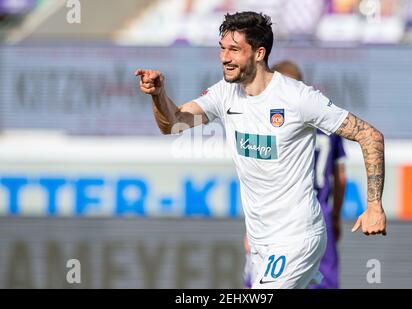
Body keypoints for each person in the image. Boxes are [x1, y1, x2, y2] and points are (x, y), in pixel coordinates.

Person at [135, 11, 386, 289]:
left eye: (234, 50)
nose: (225, 58)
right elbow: (174, 124)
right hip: (259, 242)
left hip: (296, 237)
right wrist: (158, 96)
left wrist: (374, 205)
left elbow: (369, 135)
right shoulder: (225, 93)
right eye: (222, 49)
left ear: (258, 53)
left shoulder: (297, 98)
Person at [242, 61, 346, 289]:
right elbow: (340, 176)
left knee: (260, 284)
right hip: (320, 214)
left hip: (278, 217)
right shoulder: (327, 120)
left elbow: (259, 176)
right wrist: (335, 216)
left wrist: (250, 229)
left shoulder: (272, 121)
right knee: (323, 283)